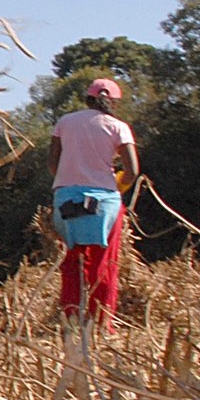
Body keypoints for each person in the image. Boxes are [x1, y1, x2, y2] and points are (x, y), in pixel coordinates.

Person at [47, 78, 140, 328]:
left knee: (71, 262)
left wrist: (69, 179)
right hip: (104, 201)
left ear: (87, 98)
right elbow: (132, 171)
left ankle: (71, 321)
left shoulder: (64, 122)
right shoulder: (118, 127)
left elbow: (53, 163)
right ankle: (101, 323)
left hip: (66, 198)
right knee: (104, 263)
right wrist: (119, 184)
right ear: (114, 102)